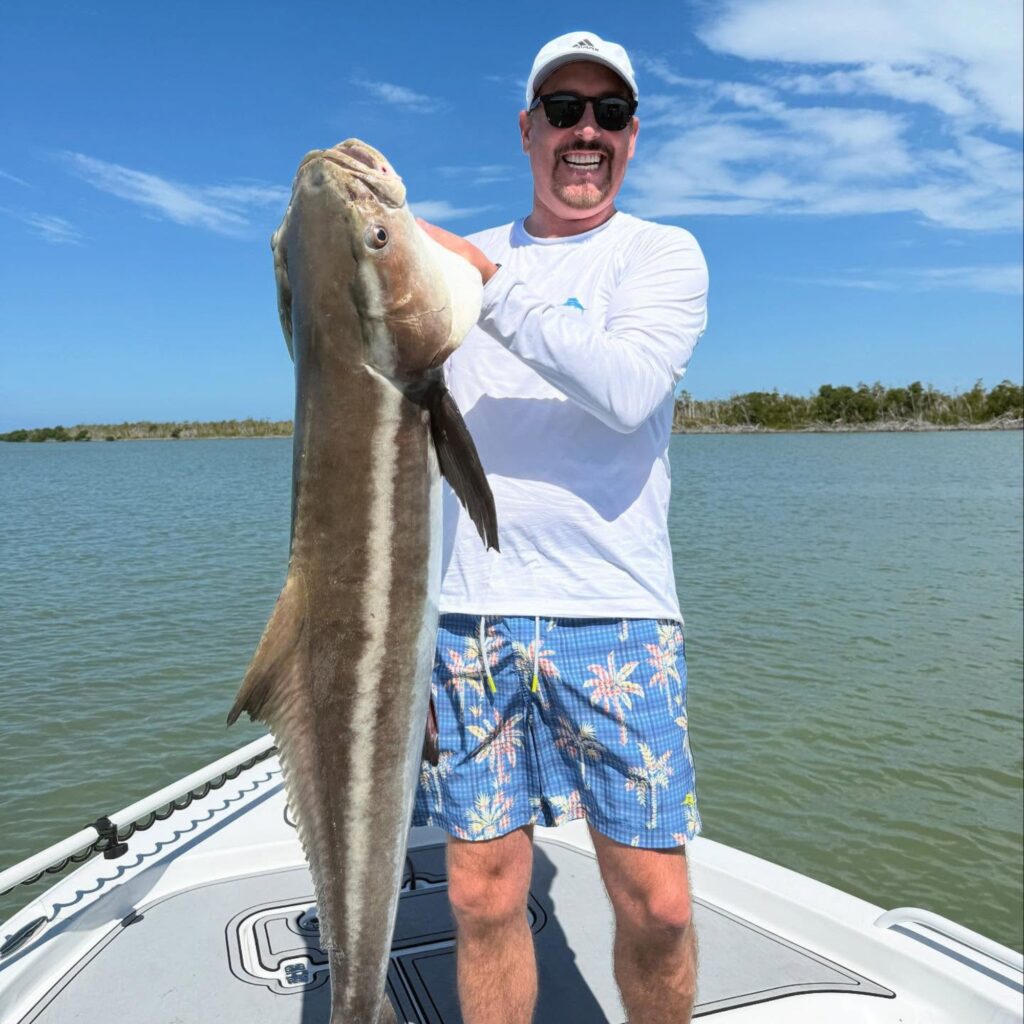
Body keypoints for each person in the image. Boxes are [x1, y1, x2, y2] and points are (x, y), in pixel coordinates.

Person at [414, 30, 709, 1024]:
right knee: (480, 893)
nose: (587, 130)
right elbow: (400, 429)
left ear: (632, 135)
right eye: (564, 110)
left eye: (609, 112)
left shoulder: (660, 254)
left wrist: (487, 284)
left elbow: (625, 390)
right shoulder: (451, 264)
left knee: (658, 904)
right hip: (470, 617)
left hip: (617, 612)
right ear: (527, 128)